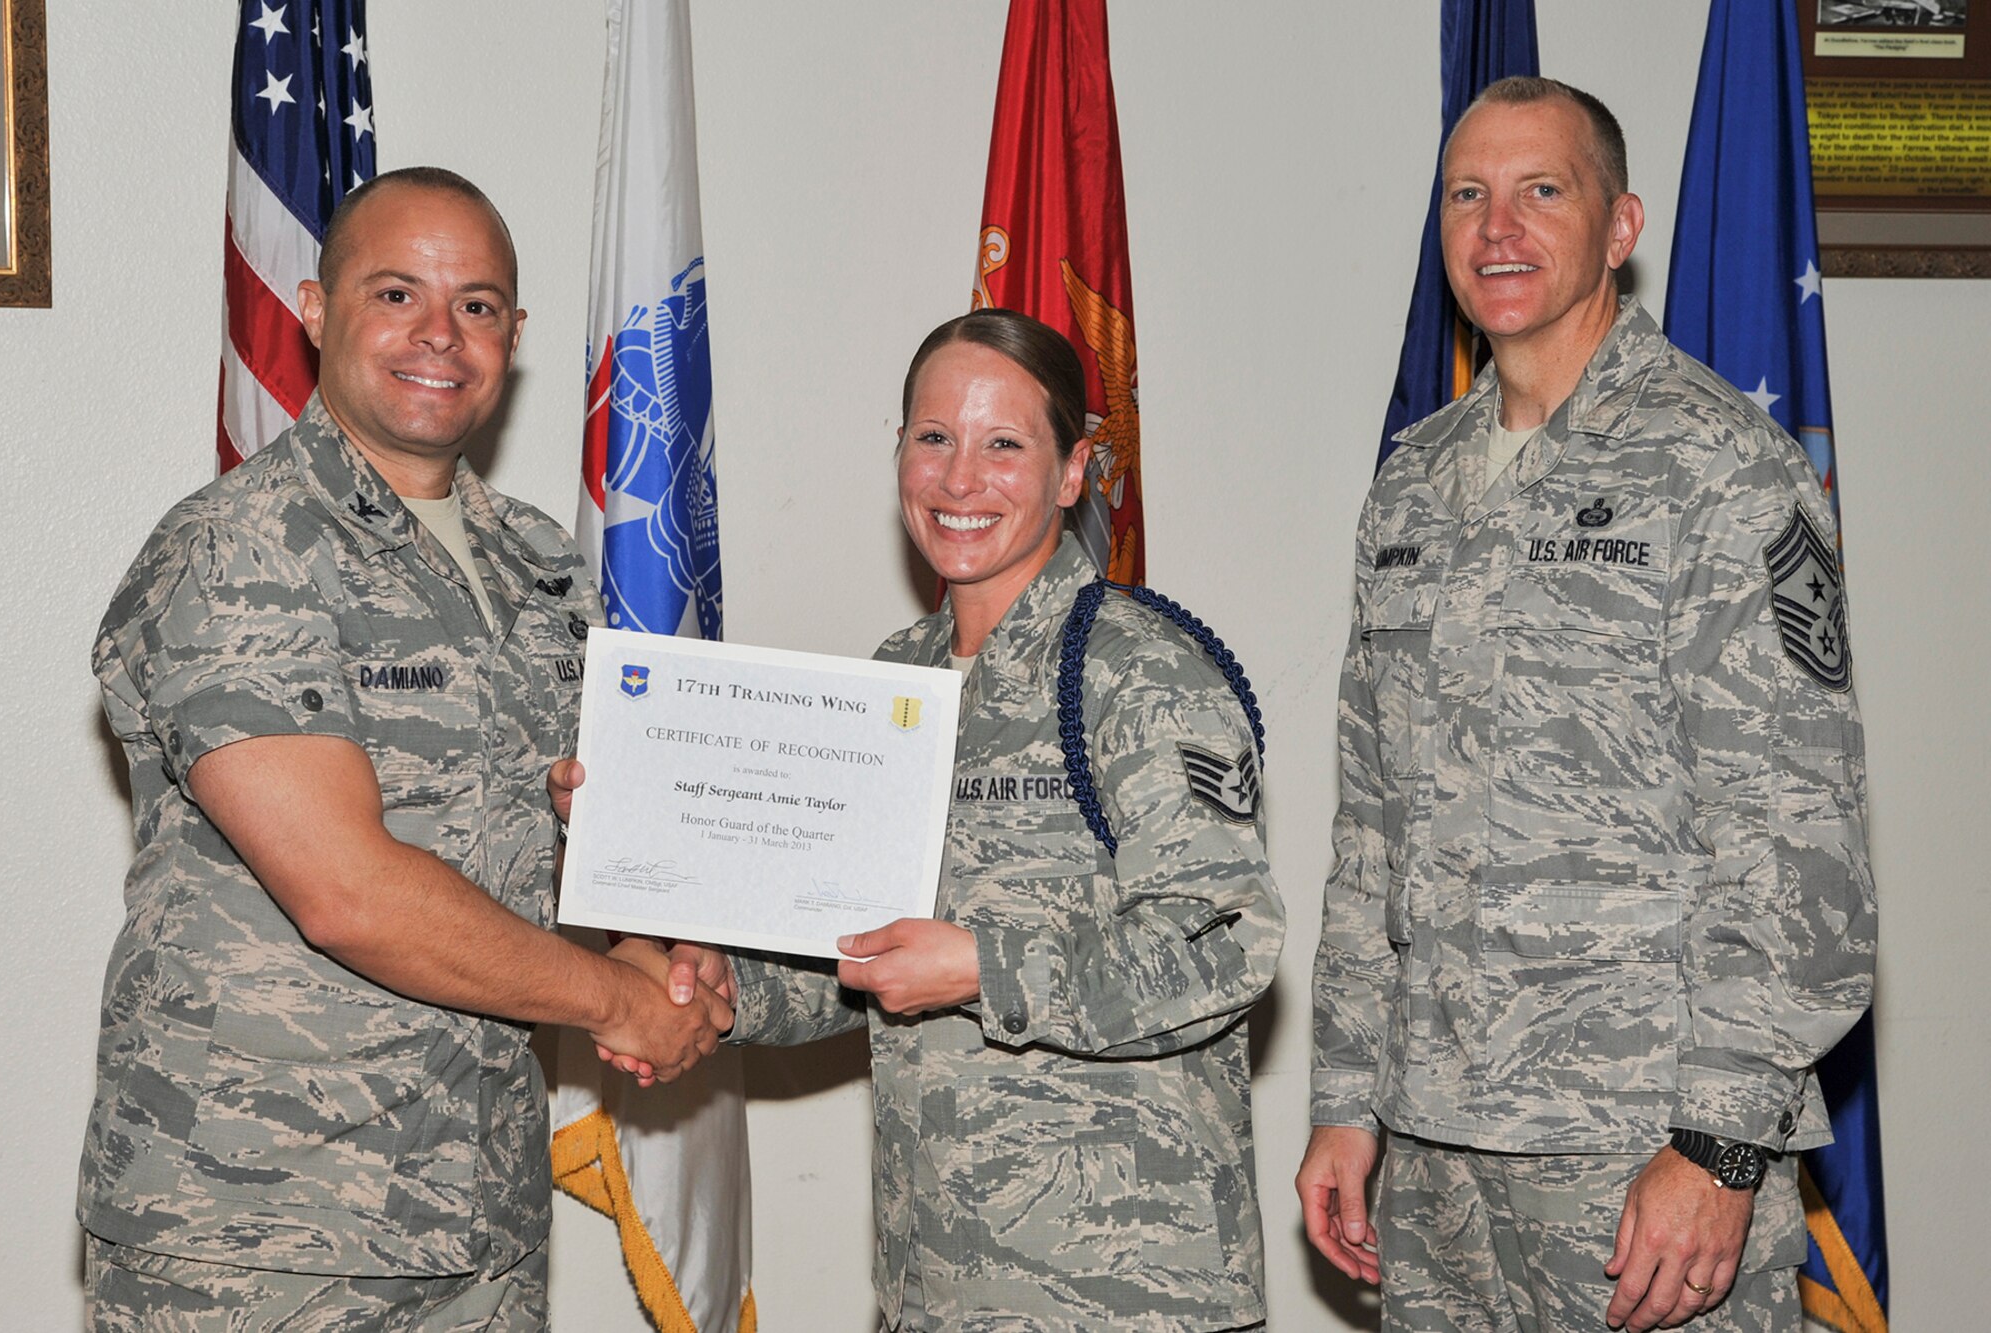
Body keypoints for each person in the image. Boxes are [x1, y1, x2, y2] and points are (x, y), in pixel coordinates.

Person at [79, 167, 728, 1329]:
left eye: (477, 305)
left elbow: (598, 819)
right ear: (317, 311)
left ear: (515, 336)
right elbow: (345, 890)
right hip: (263, 1230)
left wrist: (664, 949)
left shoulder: (535, 564)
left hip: (475, 1210)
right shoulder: (242, 550)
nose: (441, 334)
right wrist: (616, 1000)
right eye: (396, 294)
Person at [573, 308, 1284, 1329]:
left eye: (1004, 444)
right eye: (932, 438)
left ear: (1073, 470)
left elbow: (1224, 944)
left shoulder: (1140, 675)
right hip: (932, 1281)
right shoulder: (891, 683)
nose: (959, 479)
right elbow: (852, 955)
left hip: (1123, 1292)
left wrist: (984, 967)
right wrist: (721, 988)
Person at [1298, 78, 1876, 1333]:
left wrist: (1721, 1147)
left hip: (1637, 1154)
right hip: (1436, 1151)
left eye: (1537, 192)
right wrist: (1344, 1096)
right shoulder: (1410, 484)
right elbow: (1369, 830)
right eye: (1466, 195)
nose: (1494, 229)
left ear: (1619, 227)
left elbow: (1794, 834)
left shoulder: (1719, 466)